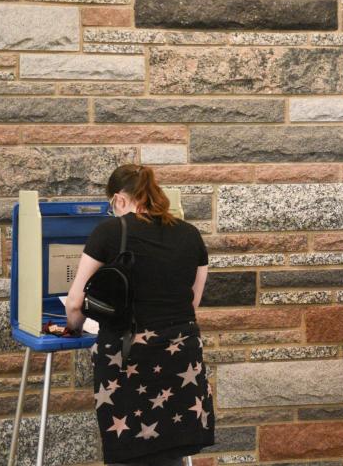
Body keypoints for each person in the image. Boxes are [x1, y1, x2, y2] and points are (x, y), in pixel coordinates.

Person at [65, 164, 214, 466]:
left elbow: (74, 302)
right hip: (181, 359)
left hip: (128, 358)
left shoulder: (110, 231)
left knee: (130, 453)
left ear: (119, 200)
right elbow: (192, 302)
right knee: (171, 450)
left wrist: (74, 328)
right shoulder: (190, 235)